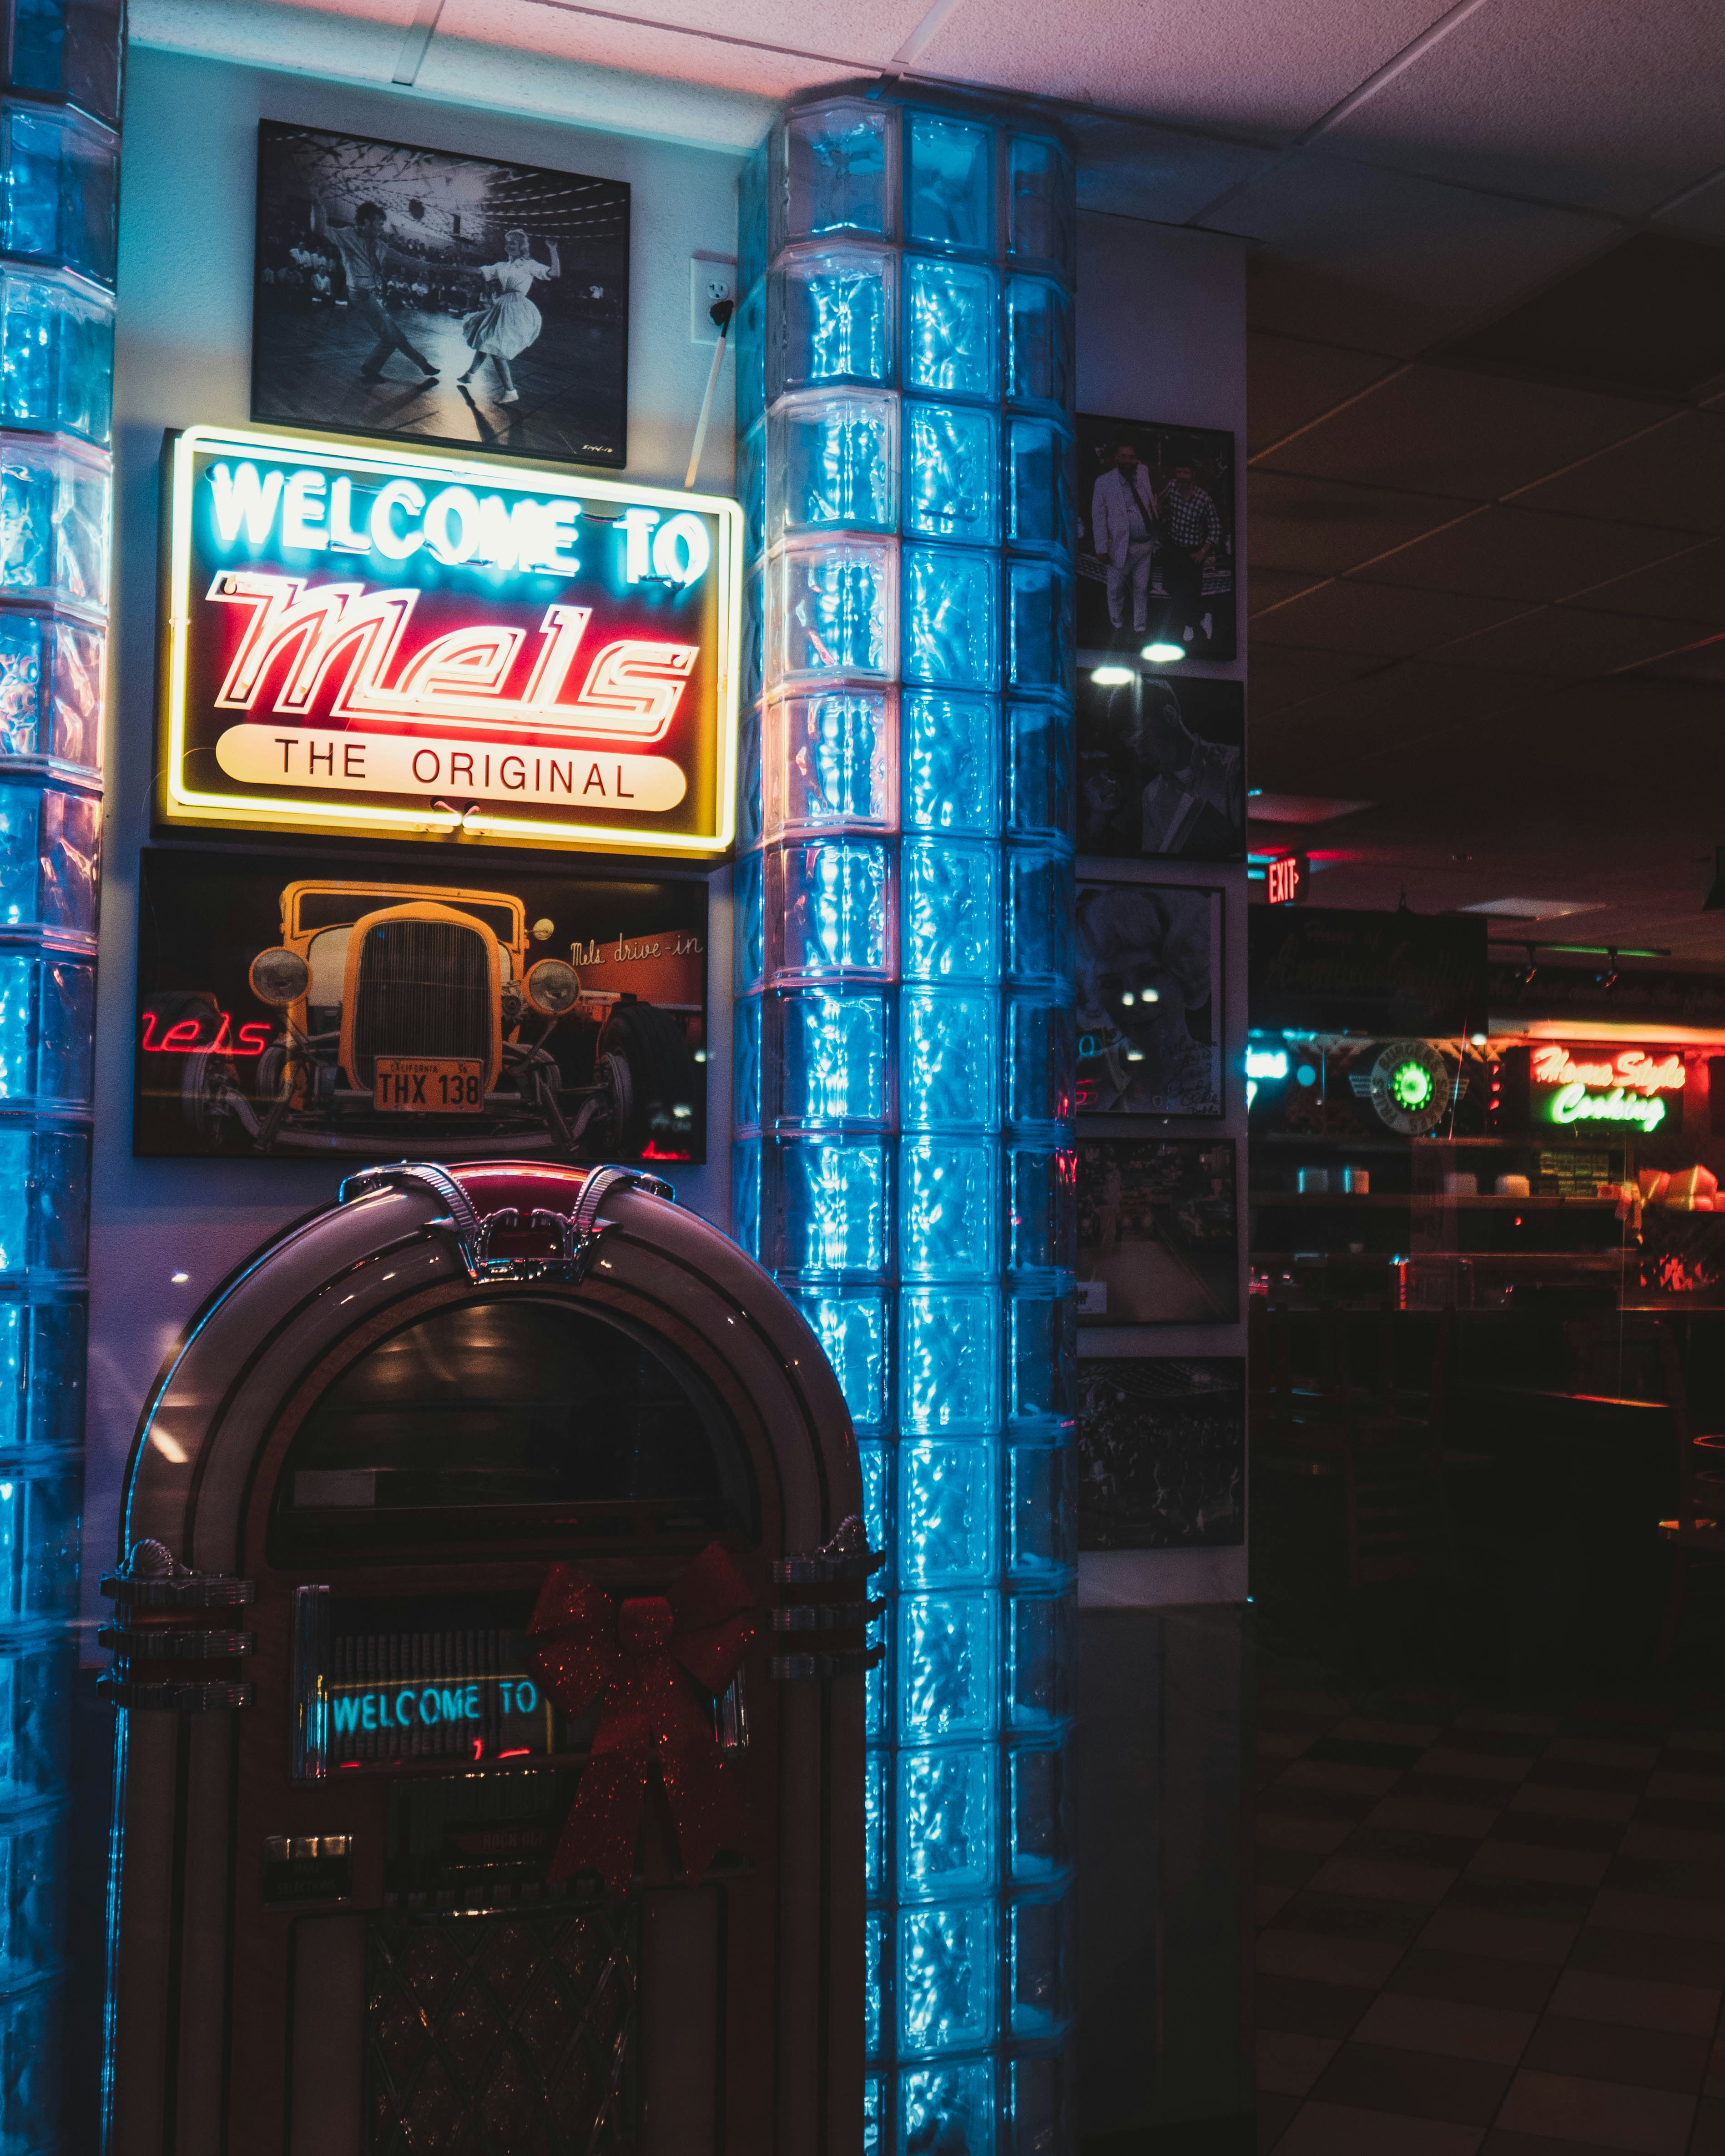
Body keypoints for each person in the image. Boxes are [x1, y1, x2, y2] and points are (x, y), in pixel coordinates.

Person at [311, 196, 440, 387]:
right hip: (360, 295)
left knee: (393, 336)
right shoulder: (348, 236)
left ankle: (373, 368)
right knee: (393, 336)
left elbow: (405, 260)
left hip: (371, 296)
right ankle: (423, 365)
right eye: (379, 224)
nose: (382, 229)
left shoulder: (379, 246)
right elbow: (320, 229)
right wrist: (317, 203)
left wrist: (429, 266)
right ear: (366, 222)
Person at [459, 229, 560, 405]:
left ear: (521, 246)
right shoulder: (502, 266)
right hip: (502, 305)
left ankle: (510, 391)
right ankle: (470, 375)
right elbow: (478, 271)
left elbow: (555, 274)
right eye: (507, 243)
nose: (509, 246)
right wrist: (454, 268)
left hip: (516, 309)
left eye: (513, 243)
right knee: (485, 339)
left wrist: (553, 250)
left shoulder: (529, 265)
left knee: (497, 350)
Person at [1089, 438, 1158, 639]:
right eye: (1124, 457)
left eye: (1133, 457)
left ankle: (1140, 627)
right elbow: (1099, 516)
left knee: (1142, 588)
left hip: (1145, 545)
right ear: (1117, 458)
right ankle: (1117, 624)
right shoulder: (1104, 483)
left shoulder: (1143, 472)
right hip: (1120, 546)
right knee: (1115, 588)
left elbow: (1148, 500)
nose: (1129, 461)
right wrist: (1101, 547)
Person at [1158, 463, 1224, 647]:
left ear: (1194, 475)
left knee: (1191, 591)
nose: (1181, 476)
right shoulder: (1172, 487)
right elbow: (1159, 501)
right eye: (1179, 471)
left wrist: (1204, 551)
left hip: (1194, 552)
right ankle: (1203, 617)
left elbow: (1216, 527)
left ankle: (1190, 625)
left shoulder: (1203, 499)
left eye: (1185, 473)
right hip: (1174, 548)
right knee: (1170, 587)